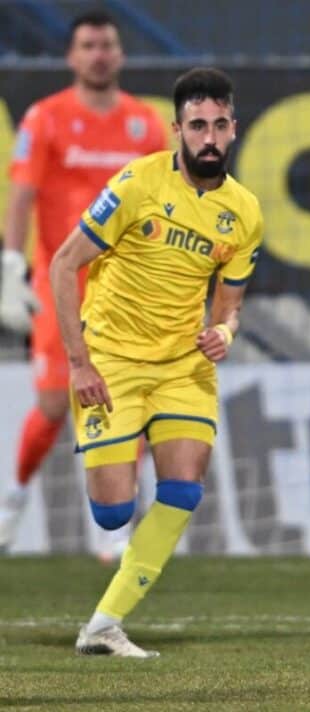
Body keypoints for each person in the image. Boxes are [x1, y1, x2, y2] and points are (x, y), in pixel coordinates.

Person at [49, 67, 262, 657]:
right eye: (197, 126)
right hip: (111, 361)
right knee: (113, 512)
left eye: (219, 125)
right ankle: (111, 460)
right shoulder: (135, 185)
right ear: (177, 130)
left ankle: (104, 624)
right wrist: (79, 364)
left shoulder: (244, 212)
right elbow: (64, 264)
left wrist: (224, 331)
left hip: (182, 367)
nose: (209, 137)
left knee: (183, 489)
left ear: (234, 128)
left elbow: (230, 305)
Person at [0, 10, 168, 553]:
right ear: (72, 56)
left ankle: (113, 529)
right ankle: (13, 498)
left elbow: (164, 204)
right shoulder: (45, 118)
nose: (99, 54)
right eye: (89, 45)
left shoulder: (145, 124)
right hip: (63, 283)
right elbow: (21, 196)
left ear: (120, 55)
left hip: (126, 289)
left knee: (129, 401)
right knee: (54, 404)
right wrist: (11, 264)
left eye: (107, 45)